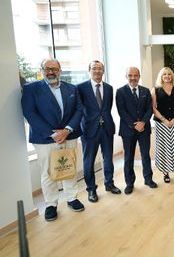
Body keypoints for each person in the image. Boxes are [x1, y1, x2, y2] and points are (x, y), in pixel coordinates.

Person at [21, 58, 84, 221]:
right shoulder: (31, 89)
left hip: (69, 135)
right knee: (48, 172)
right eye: (47, 68)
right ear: (41, 70)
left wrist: (67, 130)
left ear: (60, 70)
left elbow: (78, 110)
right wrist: (53, 133)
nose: (51, 72)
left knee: (69, 167)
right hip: (45, 138)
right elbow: (29, 113)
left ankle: (72, 198)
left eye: (54, 69)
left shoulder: (72, 88)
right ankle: (51, 204)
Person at [77, 60, 120, 203]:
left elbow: (107, 108)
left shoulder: (109, 88)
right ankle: (91, 190)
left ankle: (109, 183)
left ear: (103, 71)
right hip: (89, 130)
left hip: (107, 127)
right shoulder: (81, 88)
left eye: (100, 69)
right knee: (88, 161)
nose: (97, 71)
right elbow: (79, 109)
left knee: (108, 158)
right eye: (94, 68)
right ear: (89, 70)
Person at [116, 67, 157, 194]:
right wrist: (134, 125)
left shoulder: (145, 91)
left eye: (135, 75)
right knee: (129, 157)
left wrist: (143, 122)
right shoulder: (120, 91)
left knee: (146, 155)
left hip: (144, 129)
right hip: (128, 130)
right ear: (126, 76)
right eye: (130, 75)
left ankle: (148, 179)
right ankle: (129, 183)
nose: (133, 78)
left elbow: (150, 109)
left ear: (139, 76)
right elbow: (121, 111)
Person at [151, 67, 174, 183]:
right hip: (161, 124)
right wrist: (164, 120)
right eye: (164, 74)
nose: (167, 76)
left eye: (169, 74)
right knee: (164, 147)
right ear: (161, 77)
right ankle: (165, 172)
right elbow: (152, 107)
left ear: (172, 76)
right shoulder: (156, 89)